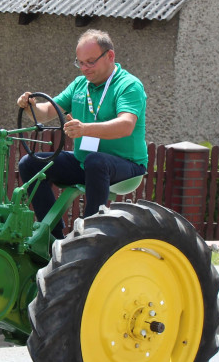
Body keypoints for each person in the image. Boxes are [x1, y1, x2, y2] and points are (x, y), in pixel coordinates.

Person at [16, 29, 148, 238]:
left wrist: (86, 129)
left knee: (96, 161)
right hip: (85, 162)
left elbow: (126, 125)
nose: (84, 69)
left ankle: (90, 235)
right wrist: (29, 106)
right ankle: (51, 235)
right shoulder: (80, 85)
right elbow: (46, 113)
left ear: (110, 56)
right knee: (29, 163)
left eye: (90, 62)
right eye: (80, 63)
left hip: (127, 164)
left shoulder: (128, 85)